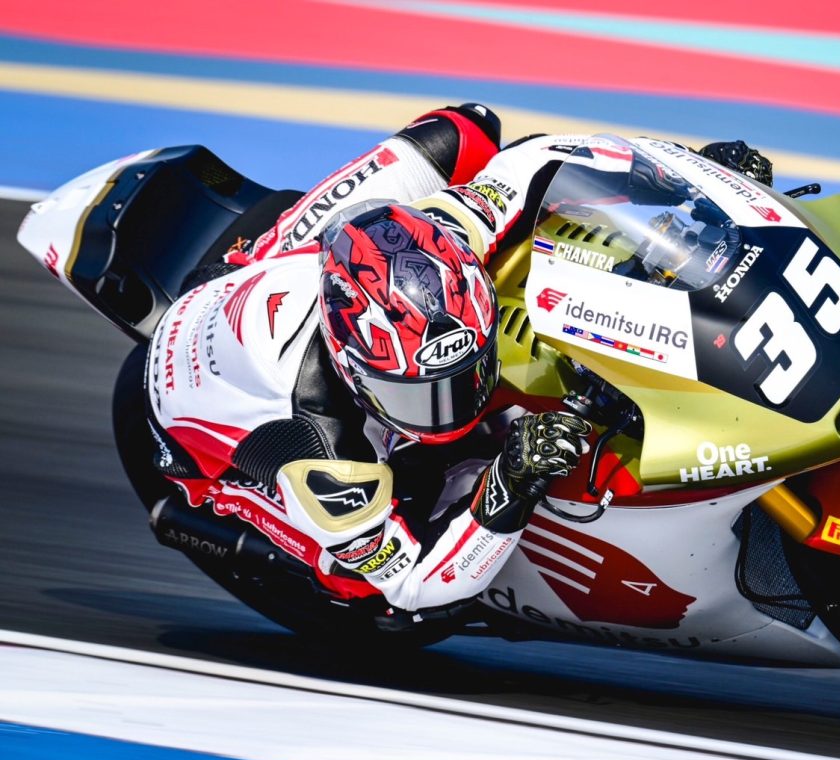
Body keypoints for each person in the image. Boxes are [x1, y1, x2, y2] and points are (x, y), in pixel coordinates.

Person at [144, 102, 771, 624]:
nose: (455, 407)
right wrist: (509, 485)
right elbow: (414, 586)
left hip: (289, 266)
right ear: (352, 368)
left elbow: (549, 158)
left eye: (466, 375)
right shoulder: (321, 448)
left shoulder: (452, 228)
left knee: (467, 129)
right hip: (196, 415)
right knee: (363, 590)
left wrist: (690, 177)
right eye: (419, 394)